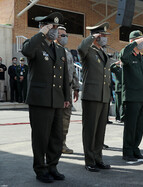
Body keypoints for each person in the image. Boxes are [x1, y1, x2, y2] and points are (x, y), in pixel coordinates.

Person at [21, 12, 70, 183]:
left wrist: (66, 97)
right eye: (51, 26)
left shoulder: (59, 49)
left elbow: (64, 76)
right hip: (40, 100)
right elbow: (26, 50)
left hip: (57, 99)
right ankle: (40, 169)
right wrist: (41, 32)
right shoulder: (35, 45)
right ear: (43, 27)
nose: (54, 30)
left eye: (56, 27)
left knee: (56, 137)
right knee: (41, 137)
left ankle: (52, 166)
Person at [77, 22, 111, 172]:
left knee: (100, 131)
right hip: (92, 96)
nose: (105, 38)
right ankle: (89, 160)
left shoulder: (102, 52)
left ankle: (98, 158)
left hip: (103, 96)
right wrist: (91, 37)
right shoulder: (88, 50)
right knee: (90, 130)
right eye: (102, 35)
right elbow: (80, 48)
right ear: (96, 37)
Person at [119, 30, 143, 161]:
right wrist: (133, 44)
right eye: (140, 40)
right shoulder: (128, 55)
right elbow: (123, 56)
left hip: (142, 97)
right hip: (132, 97)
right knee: (131, 126)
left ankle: (135, 148)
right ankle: (127, 151)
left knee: (140, 126)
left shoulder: (142, 58)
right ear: (133, 41)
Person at [55, 26, 80, 154]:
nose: (65, 38)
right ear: (56, 36)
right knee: (57, 120)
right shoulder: (53, 50)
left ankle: (62, 144)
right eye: (62, 35)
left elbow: (73, 71)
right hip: (57, 91)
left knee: (66, 118)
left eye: (66, 35)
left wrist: (76, 87)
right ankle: (54, 145)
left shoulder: (68, 52)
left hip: (68, 91)